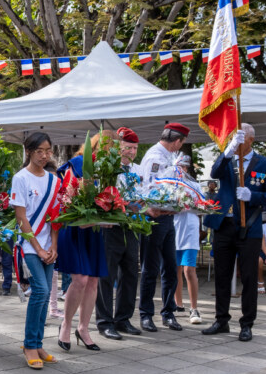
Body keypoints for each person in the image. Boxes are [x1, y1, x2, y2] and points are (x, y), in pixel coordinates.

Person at [202, 124, 266, 341]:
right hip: (223, 225)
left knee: (248, 276)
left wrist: (252, 196)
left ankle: (247, 323)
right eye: (233, 138)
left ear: (251, 140)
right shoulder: (227, 159)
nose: (236, 142)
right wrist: (228, 150)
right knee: (222, 275)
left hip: (249, 227)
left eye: (240, 138)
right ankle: (221, 320)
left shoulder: (265, 163)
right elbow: (214, 172)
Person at [55, 132, 113, 352]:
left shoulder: (108, 170)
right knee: (79, 279)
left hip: (93, 231)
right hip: (74, 228)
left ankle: (84, 328)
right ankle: (66, 325)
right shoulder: (76, 164)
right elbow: (64, 198)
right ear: (97, 146)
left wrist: (107, 217)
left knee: (93, 281)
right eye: (109, 148)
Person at [10, 132, 60, 369]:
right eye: (39, 151)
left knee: (47, 291)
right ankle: (30, 344)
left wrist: (53, 247)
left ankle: (38, 343)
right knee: (40, 290)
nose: (44, 155)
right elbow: (21, 217)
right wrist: (39, 248)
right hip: (29, 244)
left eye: (48, 150)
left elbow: (55, 219)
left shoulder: (54, 181)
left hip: (48, 246)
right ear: (29, 151)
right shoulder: (20, 179)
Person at [137, 123, 190, 333]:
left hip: (168, 219)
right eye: (181, 143)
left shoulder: (169, 156)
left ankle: (168, 312)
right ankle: (146, 314)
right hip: (154, 218)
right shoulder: (154, 156)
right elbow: (148, 188)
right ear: (177, 141)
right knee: (150, 269)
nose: (180, 147)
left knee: (170, 267)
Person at [95, 126, 143, 340]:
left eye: (134, 148)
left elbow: (144, 193)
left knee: (131, 273)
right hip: (111, 227)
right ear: (117, 147)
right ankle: (104, 321)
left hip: (132, 226)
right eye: (127, 147)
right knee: (106, 275)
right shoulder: (106, 168)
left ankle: (123, 318)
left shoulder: (138, 169)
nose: (131, 152)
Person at [173, 157, 203, 324]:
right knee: (175, 269)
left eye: (183, 166)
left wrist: (191, 203)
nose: (181, 169)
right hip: (174, 230)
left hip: (190, 231)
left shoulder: (195, 186)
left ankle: (194, 308)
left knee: (188, 270)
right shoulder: (168, 185)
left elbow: (203, 205)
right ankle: (178, 304)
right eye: (178, 166)